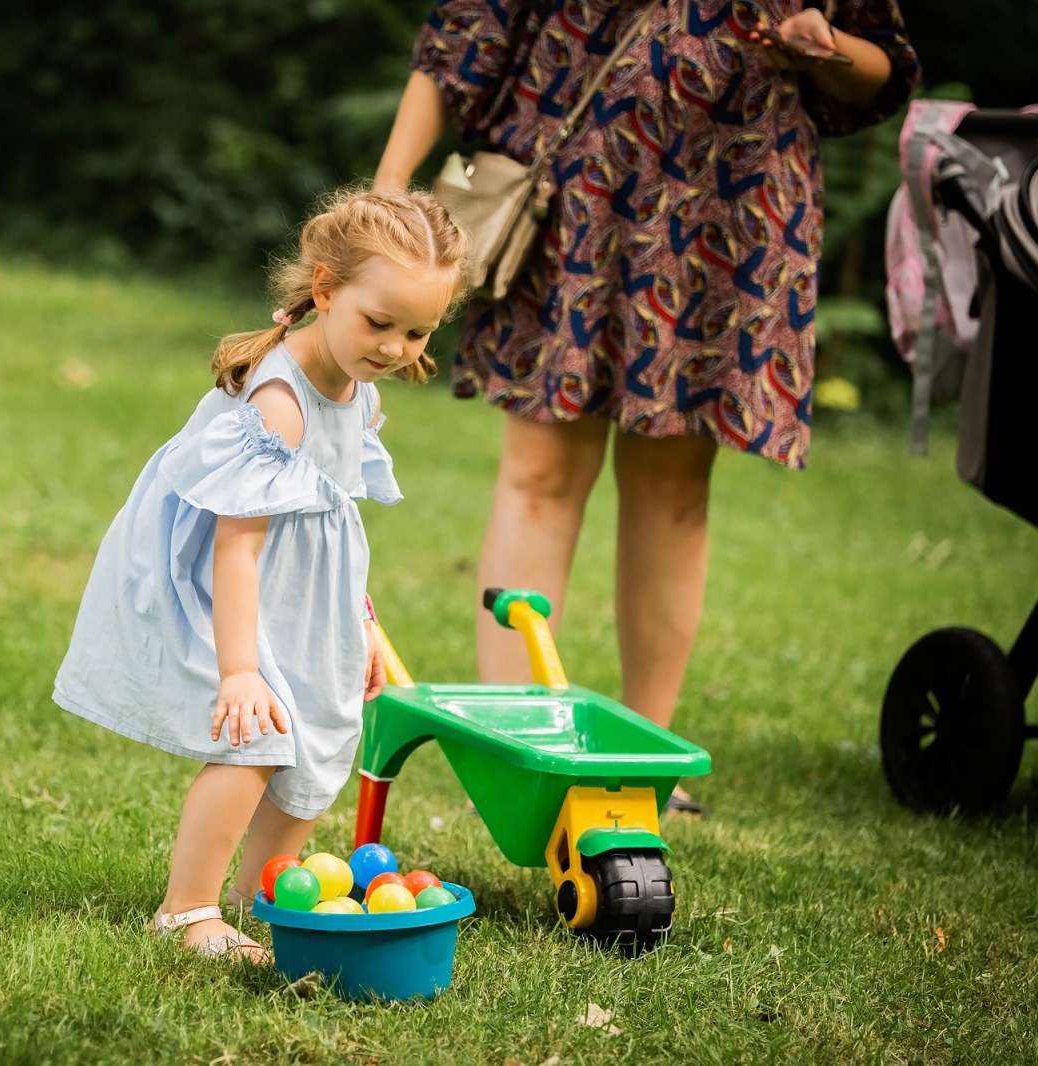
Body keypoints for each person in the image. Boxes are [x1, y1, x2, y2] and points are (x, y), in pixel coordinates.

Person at [376, 1, 919, 810]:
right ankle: (515, 748)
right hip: (574, 194)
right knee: (540, 468)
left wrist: (828, 48)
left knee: (672, 488)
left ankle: (644, 765)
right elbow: (465, 30)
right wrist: (387, 190)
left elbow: (886, 64)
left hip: (725, 209)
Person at [53, 188, 469, 961]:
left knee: (320, 732)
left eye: (418, 332)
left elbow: (334, 512)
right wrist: (239, 671)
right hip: (226, 583)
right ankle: (186, 911)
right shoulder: (282, 401)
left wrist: (366, 622)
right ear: (324, 290)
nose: (394, 347)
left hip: (302, 585)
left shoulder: (361, 392)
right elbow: (234, 546)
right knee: (260, 734)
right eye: (379, 322)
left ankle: (258, 892)